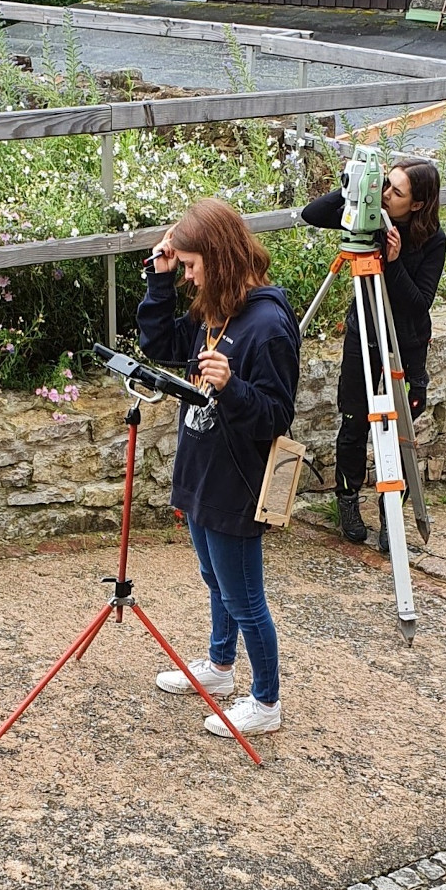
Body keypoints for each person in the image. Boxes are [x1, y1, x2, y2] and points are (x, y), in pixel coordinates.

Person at [136, 197, 301, 738]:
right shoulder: (218, 308)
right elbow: (160, 345)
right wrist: (159, 278)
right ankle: (220, 667)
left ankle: (266, 701)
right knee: (215, 579)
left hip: (238, 480)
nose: (186, 276)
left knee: (245, 597)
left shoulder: (268, 326)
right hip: (202, 470)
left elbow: (275, 415)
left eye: (188, 265)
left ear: (218, 255)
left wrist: (231, 387)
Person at [300, 157, 446, 551]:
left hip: (406, 343)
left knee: (400, 430)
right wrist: (355, 186)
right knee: (354, 421)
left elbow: (418, 304)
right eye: (385, 185)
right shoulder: (368, 217)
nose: (385, 196)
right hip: (363, 334)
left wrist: (394, 264)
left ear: (417, 204)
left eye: (396, 192)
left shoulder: (432, 240)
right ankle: (347, 500)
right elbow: (311, 213)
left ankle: (390, 512)